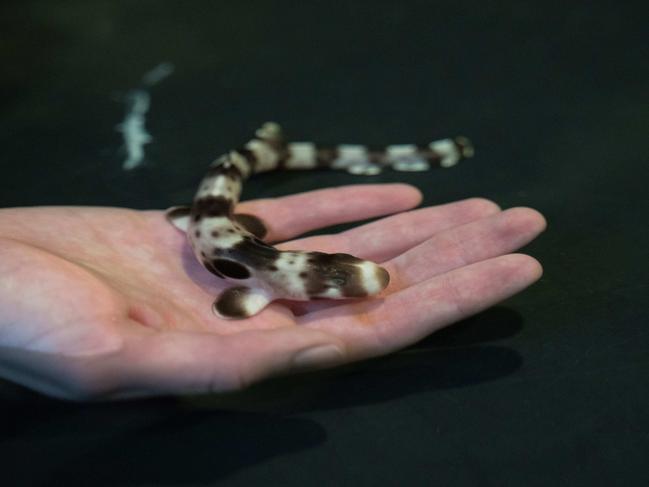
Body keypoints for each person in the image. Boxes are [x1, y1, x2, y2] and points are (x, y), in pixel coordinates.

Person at [0, 184, 545, 400]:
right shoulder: (263, 283)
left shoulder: (280, 271)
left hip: (222, 230)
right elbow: (234, 300)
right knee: (215, 205)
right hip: (212, 228)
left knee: (219, 204)